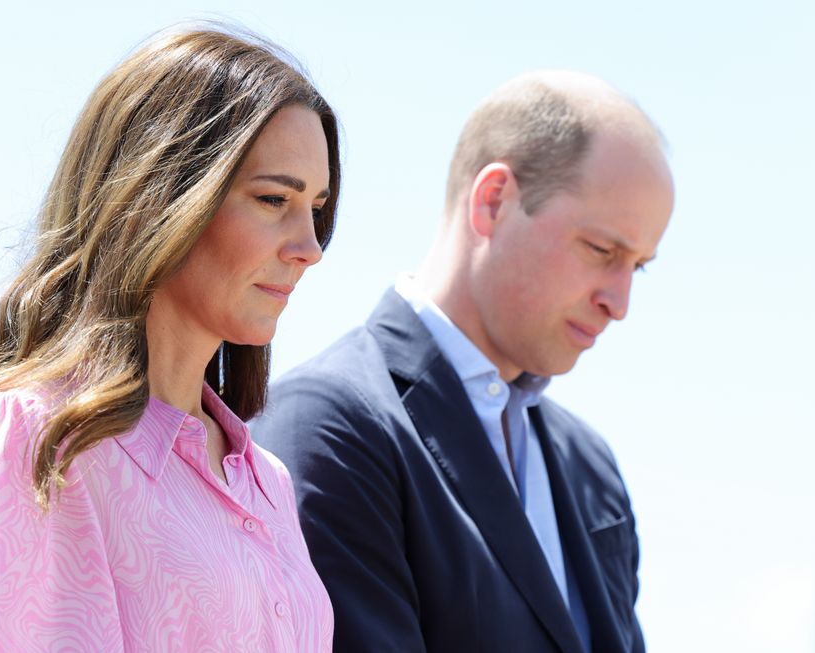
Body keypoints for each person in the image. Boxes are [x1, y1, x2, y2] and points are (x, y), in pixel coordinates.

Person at [0, 27, 341, 652]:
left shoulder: (267, 479)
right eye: (273, 199)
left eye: (316, 208)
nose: (310, 248)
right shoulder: (40, 436)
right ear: (162, 197)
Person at [251, 71, 674, 653]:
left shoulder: (589, 465)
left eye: (639, 266)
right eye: (603, 251)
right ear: (494, 200)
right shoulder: (328, 426)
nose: (619, 302)